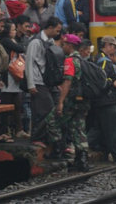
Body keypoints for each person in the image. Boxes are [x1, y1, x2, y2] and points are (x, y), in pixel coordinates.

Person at [43, 34, 91, 172]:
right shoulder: (82, 60)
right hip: (83, 101)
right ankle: (82, 160)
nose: (63, 47)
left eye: (64, 45)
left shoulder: (70, 61)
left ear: (69, 46)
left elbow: (68, 81)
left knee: (51, 120)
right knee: (79, 128)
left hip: (71, 100)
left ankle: (58, 150)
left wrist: (61, 102)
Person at [25, 17, 63, 144]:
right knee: (46, 110)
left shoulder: (50, 41)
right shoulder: (35, 42)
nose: (58, 33)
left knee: (46, 109)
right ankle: (36, 137)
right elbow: (29, 63)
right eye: (57, 30)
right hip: (37, 81)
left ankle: (45, 137)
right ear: (50, 28)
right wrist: (30, 84)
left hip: (48, 80)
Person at [89, 35, 116, 164]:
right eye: (114, 46)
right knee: (115, 128)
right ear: (107, 46)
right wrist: (113, 83)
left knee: (99, 127)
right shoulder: (104, 61)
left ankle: (83, 146)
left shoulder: (97, 58)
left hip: (100, 100)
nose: (115, 50)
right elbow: (101, 79)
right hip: (106, 99)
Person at [0, 20, 28, 138]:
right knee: (6, 103)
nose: (15, 32)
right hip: (8, 75)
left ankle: (18, 129)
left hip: (14, 76)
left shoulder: (12, 40)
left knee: (17, 103)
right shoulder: (6, 41)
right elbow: (21, 48)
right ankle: (4, 129)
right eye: (13, 30)